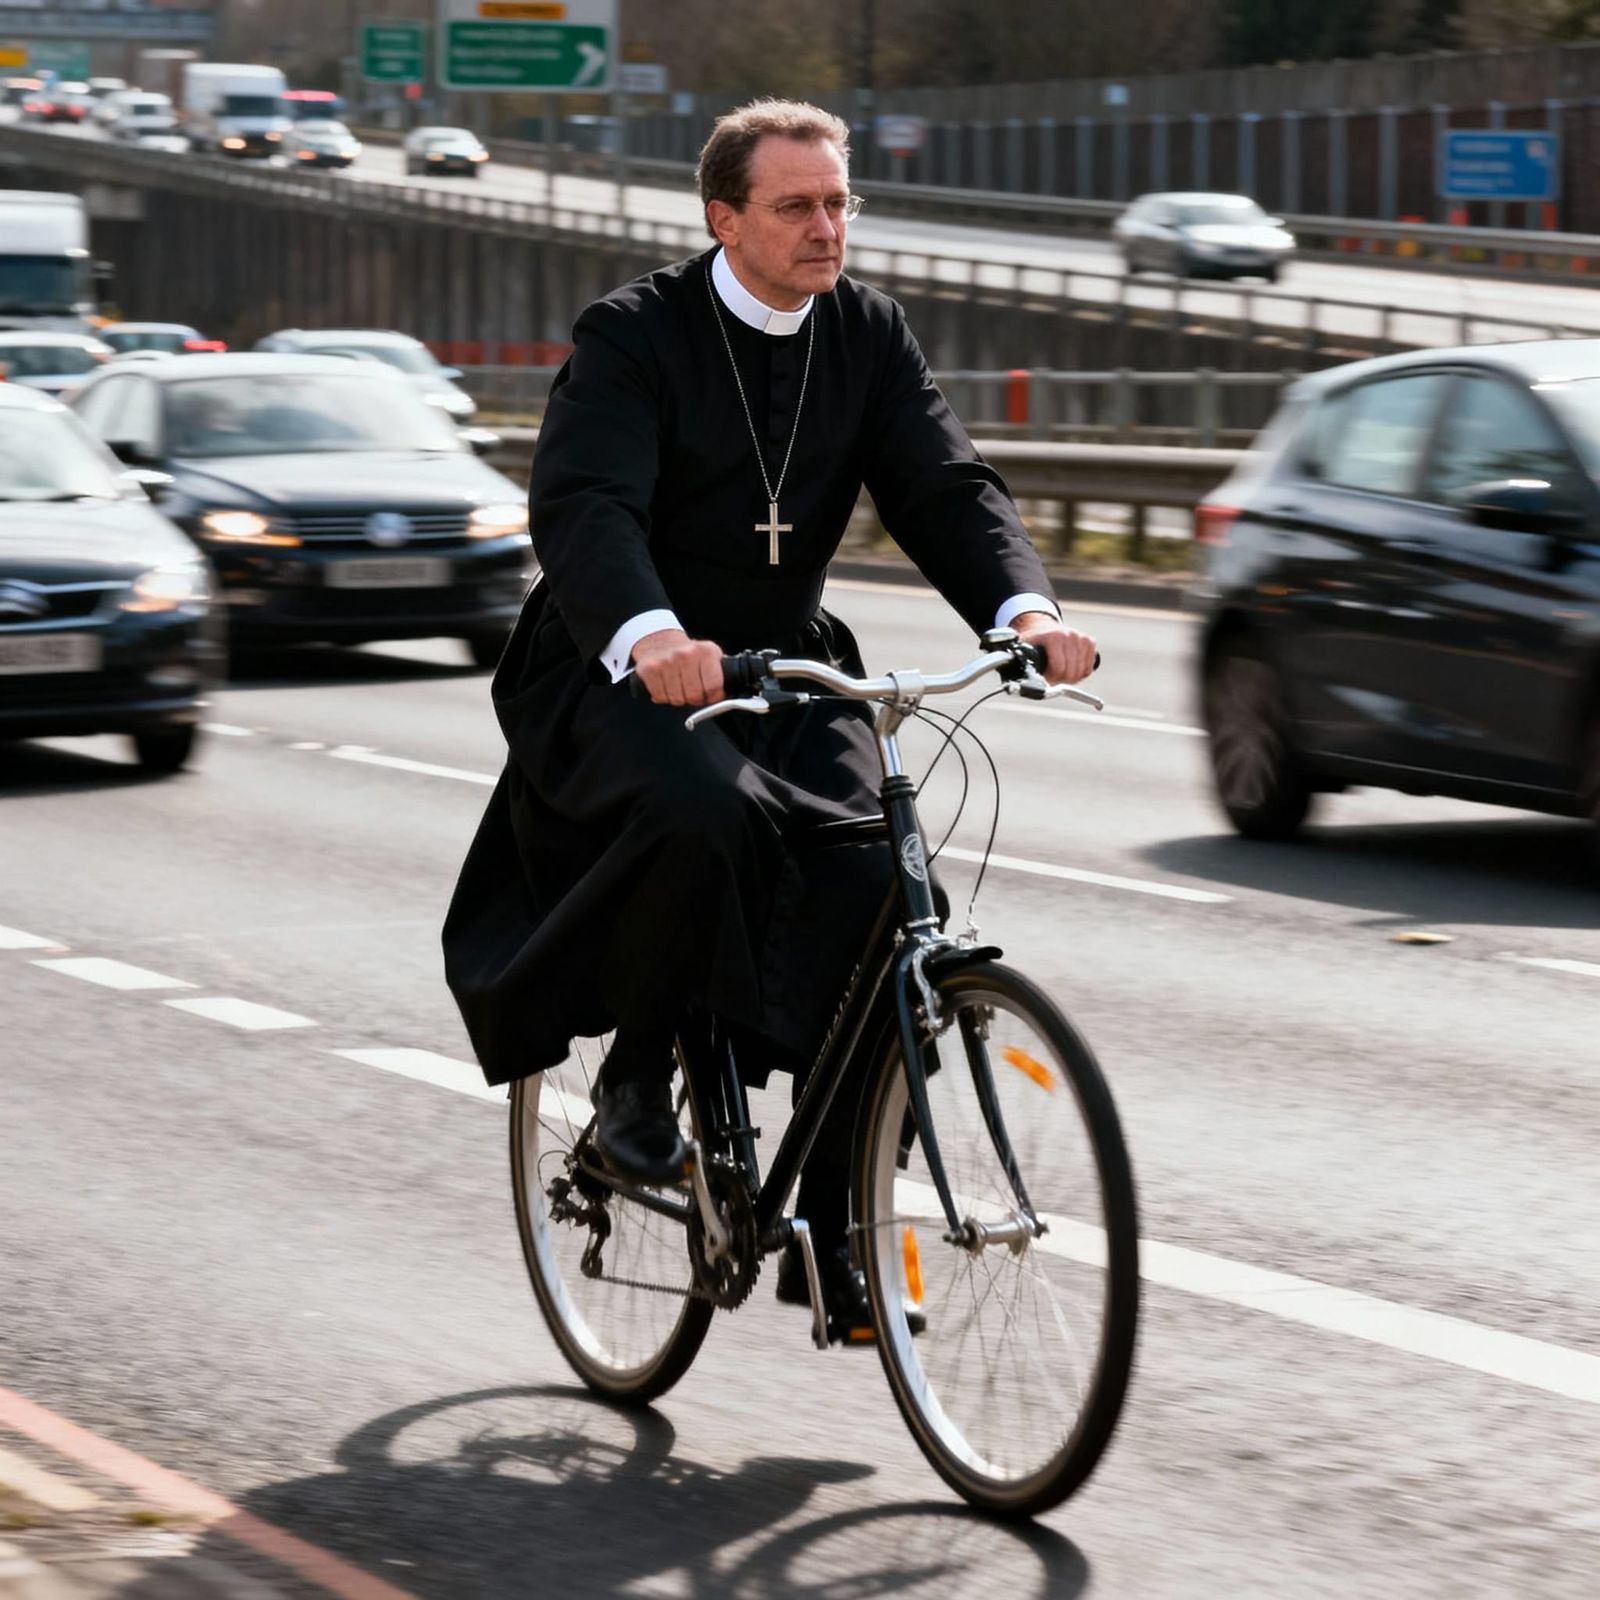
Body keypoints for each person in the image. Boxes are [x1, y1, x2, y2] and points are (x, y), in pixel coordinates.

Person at [443, 99, 1097, 1340]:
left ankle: (835, 1225)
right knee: (705, 817)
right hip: (625, 659)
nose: (826, 228)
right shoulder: (634, 334)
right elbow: (587, 505)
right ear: (724, 217)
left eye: (840, 202)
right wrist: (652, 637)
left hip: (787, 660)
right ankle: (638, 1078)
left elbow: (946, 484)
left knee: (877, 875)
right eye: (795, 205)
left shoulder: (867, 333)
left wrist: (1023, 609)